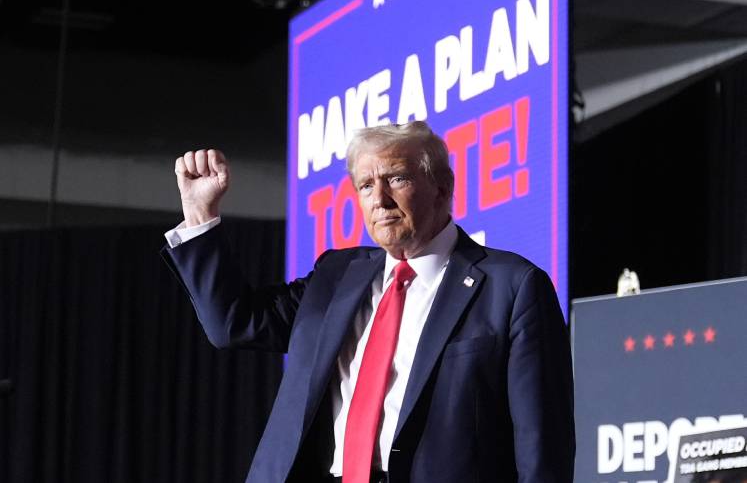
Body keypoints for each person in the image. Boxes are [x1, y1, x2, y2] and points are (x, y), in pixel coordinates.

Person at [162, 121, 575, 483]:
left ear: (442, 188)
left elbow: (542, 447)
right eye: (364, 185)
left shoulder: (513, 286)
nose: (379, 198)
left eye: (396, 178)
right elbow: (233, 323)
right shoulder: (336, 276)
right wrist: (200, 214)